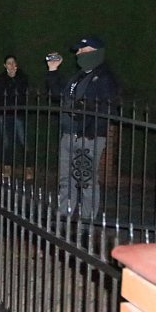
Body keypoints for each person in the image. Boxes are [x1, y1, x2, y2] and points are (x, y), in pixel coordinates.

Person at [45, 35, 120, 220]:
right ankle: (65, 215)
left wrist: (90, 131)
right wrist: (53, 71)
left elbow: (108, 108)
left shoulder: (104, 77)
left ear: (95, 52)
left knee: (86, 180)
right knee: (66, 179)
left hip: (89, 137)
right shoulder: (78, 76)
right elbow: (59, 95)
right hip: (69, 133)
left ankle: (87, 220)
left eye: (82, 50)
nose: (78, 54)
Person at [0, 55, 29, 171]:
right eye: (9, 63)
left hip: (19, 113)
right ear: (5, 65)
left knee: (23, 139)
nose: (11, 65)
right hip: (4, 113)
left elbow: (24, 93)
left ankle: (28, 167)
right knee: (6, 141)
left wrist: (15, 78)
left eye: (13, 62)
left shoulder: (22, 78)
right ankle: (7, 166)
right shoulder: (0, 79)